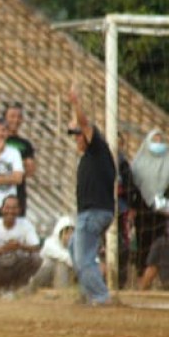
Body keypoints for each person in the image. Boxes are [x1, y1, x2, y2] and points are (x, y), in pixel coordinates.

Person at [66, 87, 117, 306]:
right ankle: (88, 293)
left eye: (79, 136)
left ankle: (101, 297)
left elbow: (85, 124)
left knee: (84, 259)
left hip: (94, 212)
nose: (76, 139)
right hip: (93, 213)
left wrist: (76, 104)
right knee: (73, 248)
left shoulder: (98, 148)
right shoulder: (91, 155)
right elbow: (79, 127)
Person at [129, 129, 169, 286]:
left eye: (161, 140)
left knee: (161, 245)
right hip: (143, 211)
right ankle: (142, 281)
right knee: (144, 246)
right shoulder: (138, 164)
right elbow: (133, 188)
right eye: (155, 140)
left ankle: (161, 281)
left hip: (163, 212)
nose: (158, 144)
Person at [3, 102, 37, 216]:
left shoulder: (25, 144)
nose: (16, 120)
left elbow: (30, 170)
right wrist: (20, 164)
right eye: (12, 116)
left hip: (18, 192)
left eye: (19, 117)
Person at [29, 216, 75, 291]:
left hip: (66, 278)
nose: (69, 236)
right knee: (60, 263)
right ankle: (61, 291)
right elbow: (66, 257)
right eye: (66, 233)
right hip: (44, 277)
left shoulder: (74, 246)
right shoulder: (50, 243)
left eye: (71, 233)